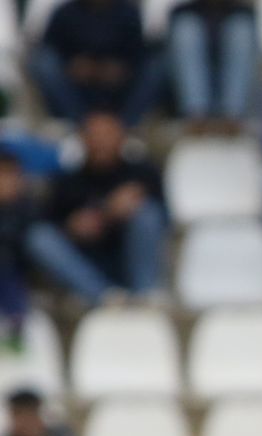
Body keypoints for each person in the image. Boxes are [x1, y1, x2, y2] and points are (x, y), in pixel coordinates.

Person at [25, 112, 166, 306]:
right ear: (82, 139)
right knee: (40, 238)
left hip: (129, 259)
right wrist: (72, 228)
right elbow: (47, 225)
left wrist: (115, 213)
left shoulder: (143, 173)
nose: (101, 142)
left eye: (108, 134)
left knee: (147, 213)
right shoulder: (66, 182)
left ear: (123, 137)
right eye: (94, 135)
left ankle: (146, 293)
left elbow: (164, 220)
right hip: (88, 266)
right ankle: (105, 297)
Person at [32, 0, 163, 125]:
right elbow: (49, 49)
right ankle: (83, 126)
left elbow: (139, 54)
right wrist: (72, 66)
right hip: (76, 92)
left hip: (120, 93)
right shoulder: (65, 12)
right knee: (44, 63)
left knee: (154, 67)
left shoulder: (128, 12)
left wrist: (122, 69)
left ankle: (123, 128)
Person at [167, 0, 260, 129]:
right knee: (186, 29)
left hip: (231, 97)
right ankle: (196, 116)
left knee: (242, 29)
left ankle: (233, 118)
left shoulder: (244, 15)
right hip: (187, 98)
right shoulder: (181, 14)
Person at [0, 149, 34, 344]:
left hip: (16, 268)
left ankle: (15, 324)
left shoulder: (27, 206)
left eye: (9, 175)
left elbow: (23, 238)